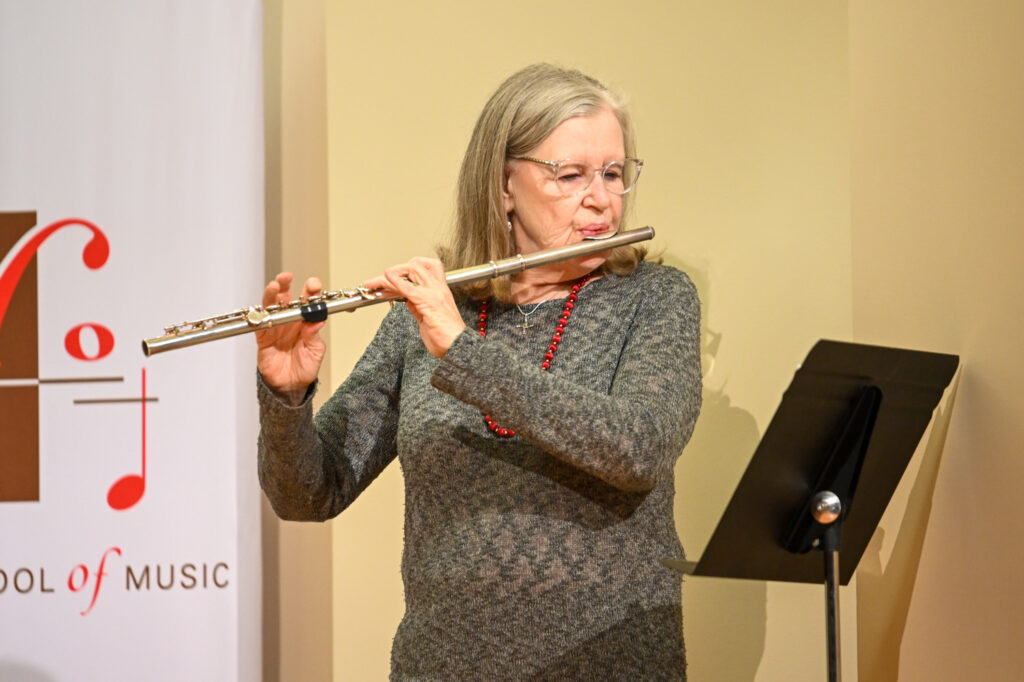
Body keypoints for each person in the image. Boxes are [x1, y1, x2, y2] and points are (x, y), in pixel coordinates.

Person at [256, 63, 702, 680]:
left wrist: (464, 352)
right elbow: (308, 494)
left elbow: (637, 448)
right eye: (570, 175)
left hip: (612, 663)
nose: (601, 199)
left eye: (613, 173)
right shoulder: (431, 316)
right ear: (503, 185)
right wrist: (286, 397)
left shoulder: (656, 299)